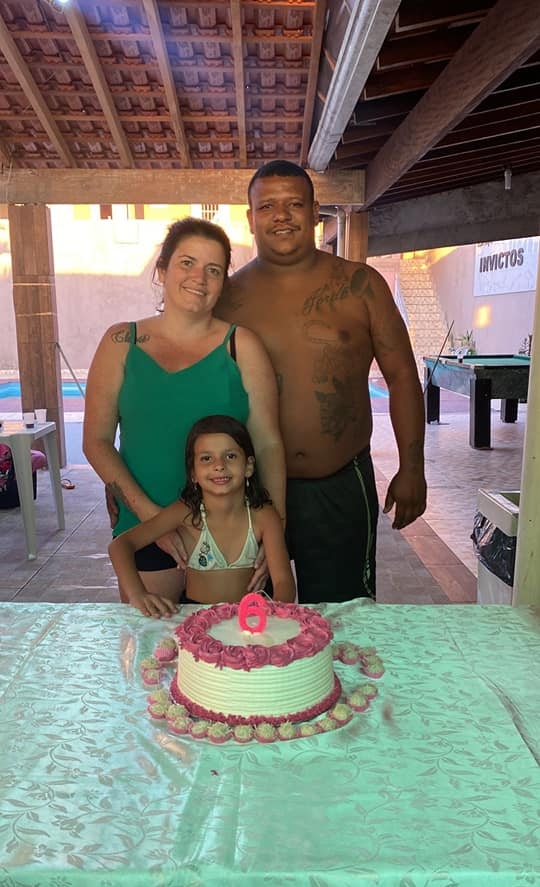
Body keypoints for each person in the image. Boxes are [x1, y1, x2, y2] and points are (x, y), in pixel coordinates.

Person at [217, 160, 427, 603]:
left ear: (315, 212)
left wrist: (412, 468)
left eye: (294, 204)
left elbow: (403, 377)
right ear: (250, 217)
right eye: (267, 206)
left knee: (343, 617)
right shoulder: (225, 298)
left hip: (339, 482)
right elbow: (186, 388)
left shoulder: (361, 286)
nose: (281, 216)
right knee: (251, 620)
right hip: (247, 489)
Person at [83, 217, 286, 604]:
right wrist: (153, 520)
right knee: (151, 639)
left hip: (231, 536)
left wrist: (275, 529)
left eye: (214, 269)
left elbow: (268, 443)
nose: (200, 278)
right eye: (187, 263)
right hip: (144, 527)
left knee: (230, 642)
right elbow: (96, 441)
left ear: (223, 283)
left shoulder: (241, 346)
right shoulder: (121, 342)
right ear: (162, 270)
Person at [109, 415, 296, 617]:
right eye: (207, 458)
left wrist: (274, 612)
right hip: (195, 622)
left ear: (249, 466)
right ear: (193, 473)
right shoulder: (186, 513)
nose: (219, 465)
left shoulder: (264, 516)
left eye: (230, 456)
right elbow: (120, 546)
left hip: (248, 620)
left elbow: (283, 581)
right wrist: (137, 594)